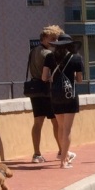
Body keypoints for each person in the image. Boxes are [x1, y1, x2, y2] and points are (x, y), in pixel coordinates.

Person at [42, 32, 84, 168]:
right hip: (69, 96)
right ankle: (63, 161)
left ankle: (63, 155)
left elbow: (44, 77)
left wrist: (54, 80)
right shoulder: (76, 58)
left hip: (55, 96)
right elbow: (79, 79)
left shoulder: (49, 57)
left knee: (60, 127)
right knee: (67, 129)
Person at [27, 25, 62, 163]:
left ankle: (37, 153)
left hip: (35, 90)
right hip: (47, 90)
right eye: (52, 38)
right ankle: (61, 150)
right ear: (44, 38)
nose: (54, 41)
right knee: (56, 122)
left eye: (56, 38)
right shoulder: (48, 54)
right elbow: (50, 74)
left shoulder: (33, 51)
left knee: (38, 123)